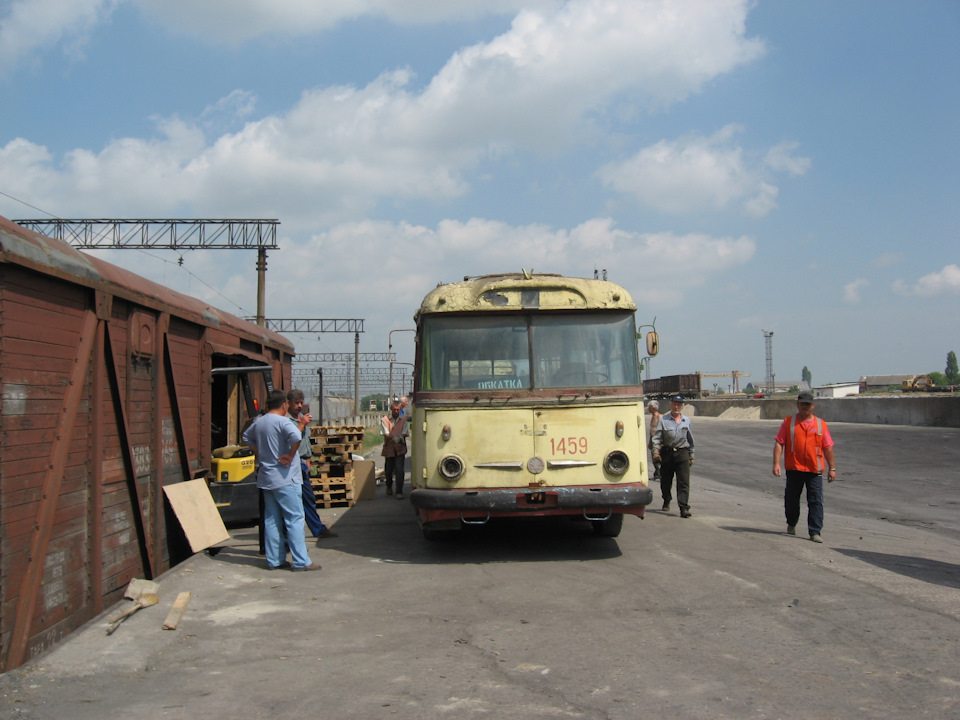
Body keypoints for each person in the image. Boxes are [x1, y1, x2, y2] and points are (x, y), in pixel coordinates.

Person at [242, 389, 320, 571]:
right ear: (284, 404)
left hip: (266, 478)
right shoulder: (283, 422)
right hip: (286, 478)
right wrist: (290, 454)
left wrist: (259, 451)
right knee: (294, 518)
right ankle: (301, 561)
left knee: (271, 519)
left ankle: (274, 560)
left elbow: (246, 437)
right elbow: (295, 436)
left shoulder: (259, 422)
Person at [772, 390, 837, 543]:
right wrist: (776, 463)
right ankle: (792, 523)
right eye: (802, 404)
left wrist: (832, 469)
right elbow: (779, 443)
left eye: (808, 404)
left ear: (812, 406)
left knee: (815, 501)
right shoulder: (789, 423)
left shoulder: (821, 425)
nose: (805, 407)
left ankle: (815, 531)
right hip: (794, 468)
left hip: (814, 470)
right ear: (798, 405)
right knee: (792, 499)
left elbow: (828, 447)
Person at [287, 390, 337, 541]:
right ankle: (301, 532)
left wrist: (308, 460)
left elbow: (305, 442)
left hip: (302, 463)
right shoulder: (287, 421)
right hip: (292, 464)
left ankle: (317, 528)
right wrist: (302, 425)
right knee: (297, 500)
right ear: (288, 403)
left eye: (301, 403)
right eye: (297, 403)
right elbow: (291, 438)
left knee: (308, 498)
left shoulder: (301, 418)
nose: (300, 406)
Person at [651, 395, 695, 518]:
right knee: (666, 480)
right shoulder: (663, 420)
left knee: (684, 482)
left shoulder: (686, 421)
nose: (676, 407)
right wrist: (656, 451)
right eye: (674, 404)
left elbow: (690, 439)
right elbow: (656, 437)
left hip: (682, 453)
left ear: (682, 407)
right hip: (667, 453)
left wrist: (691, 453)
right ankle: (666, 499)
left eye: (679, 405)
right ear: (671, 405)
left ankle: (683, 507)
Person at [380, 402, 409, 499]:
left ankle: (399, 491)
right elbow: (386, 433)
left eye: (398, 410)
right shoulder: (385, 420)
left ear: (400, 409)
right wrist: (396, 437)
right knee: (388, 470)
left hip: (400, 448)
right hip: (389, 448)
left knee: (399, 470)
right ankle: (389, 486)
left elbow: (405, 432)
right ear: (391, 409)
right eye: (394, 410)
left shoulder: (403, 420)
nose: (396, 411)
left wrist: (399, 438)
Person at [646, 400, 662, 481]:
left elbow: (657, 431)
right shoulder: (653, 417)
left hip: (657, 440)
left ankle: (659, 473)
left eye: (649, 407)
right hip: (653, 439)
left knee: (656, 457)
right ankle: (657, 473)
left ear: (653, 408)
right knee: (654, 458)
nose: (648, 409)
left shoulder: (659, 417)